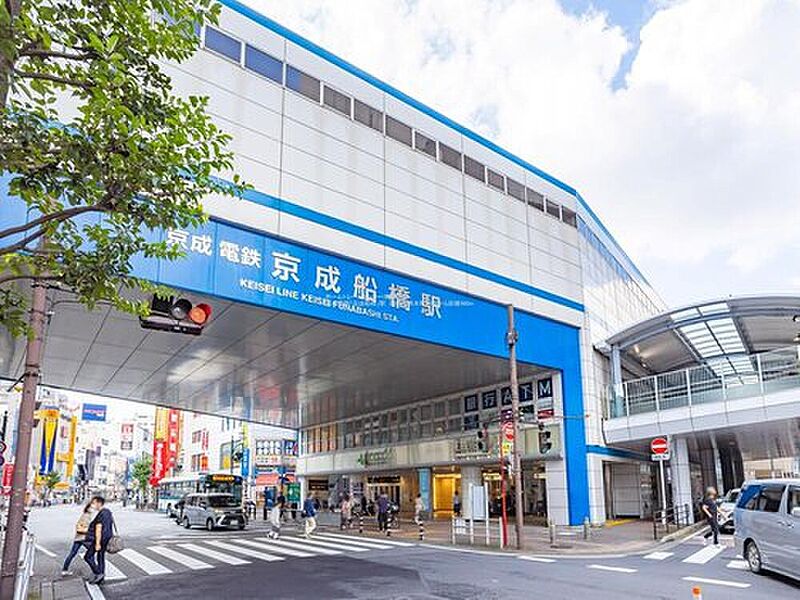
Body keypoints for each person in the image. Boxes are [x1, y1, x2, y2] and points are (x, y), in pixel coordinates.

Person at [83, 496, 114, 584]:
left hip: (99, 539)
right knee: (101, 557)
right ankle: (100, 577)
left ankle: (99, 573)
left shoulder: (101, 514)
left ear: (99, 503)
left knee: (88, 557)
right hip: (107, 538)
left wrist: (97, 543)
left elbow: (98, 529)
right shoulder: (108, 512)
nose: (92, 505)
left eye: (94, 503)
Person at [61, 501, 93, 576]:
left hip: (79, 538)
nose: (93, 509)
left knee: (72, 554)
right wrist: (88, 531)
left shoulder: (86, 515)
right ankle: (96, 570)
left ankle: (64, 570)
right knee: (92, 551)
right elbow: (80, 526)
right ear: (88, 508)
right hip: (83, 538)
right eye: (91, 508)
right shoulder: (86, 516)